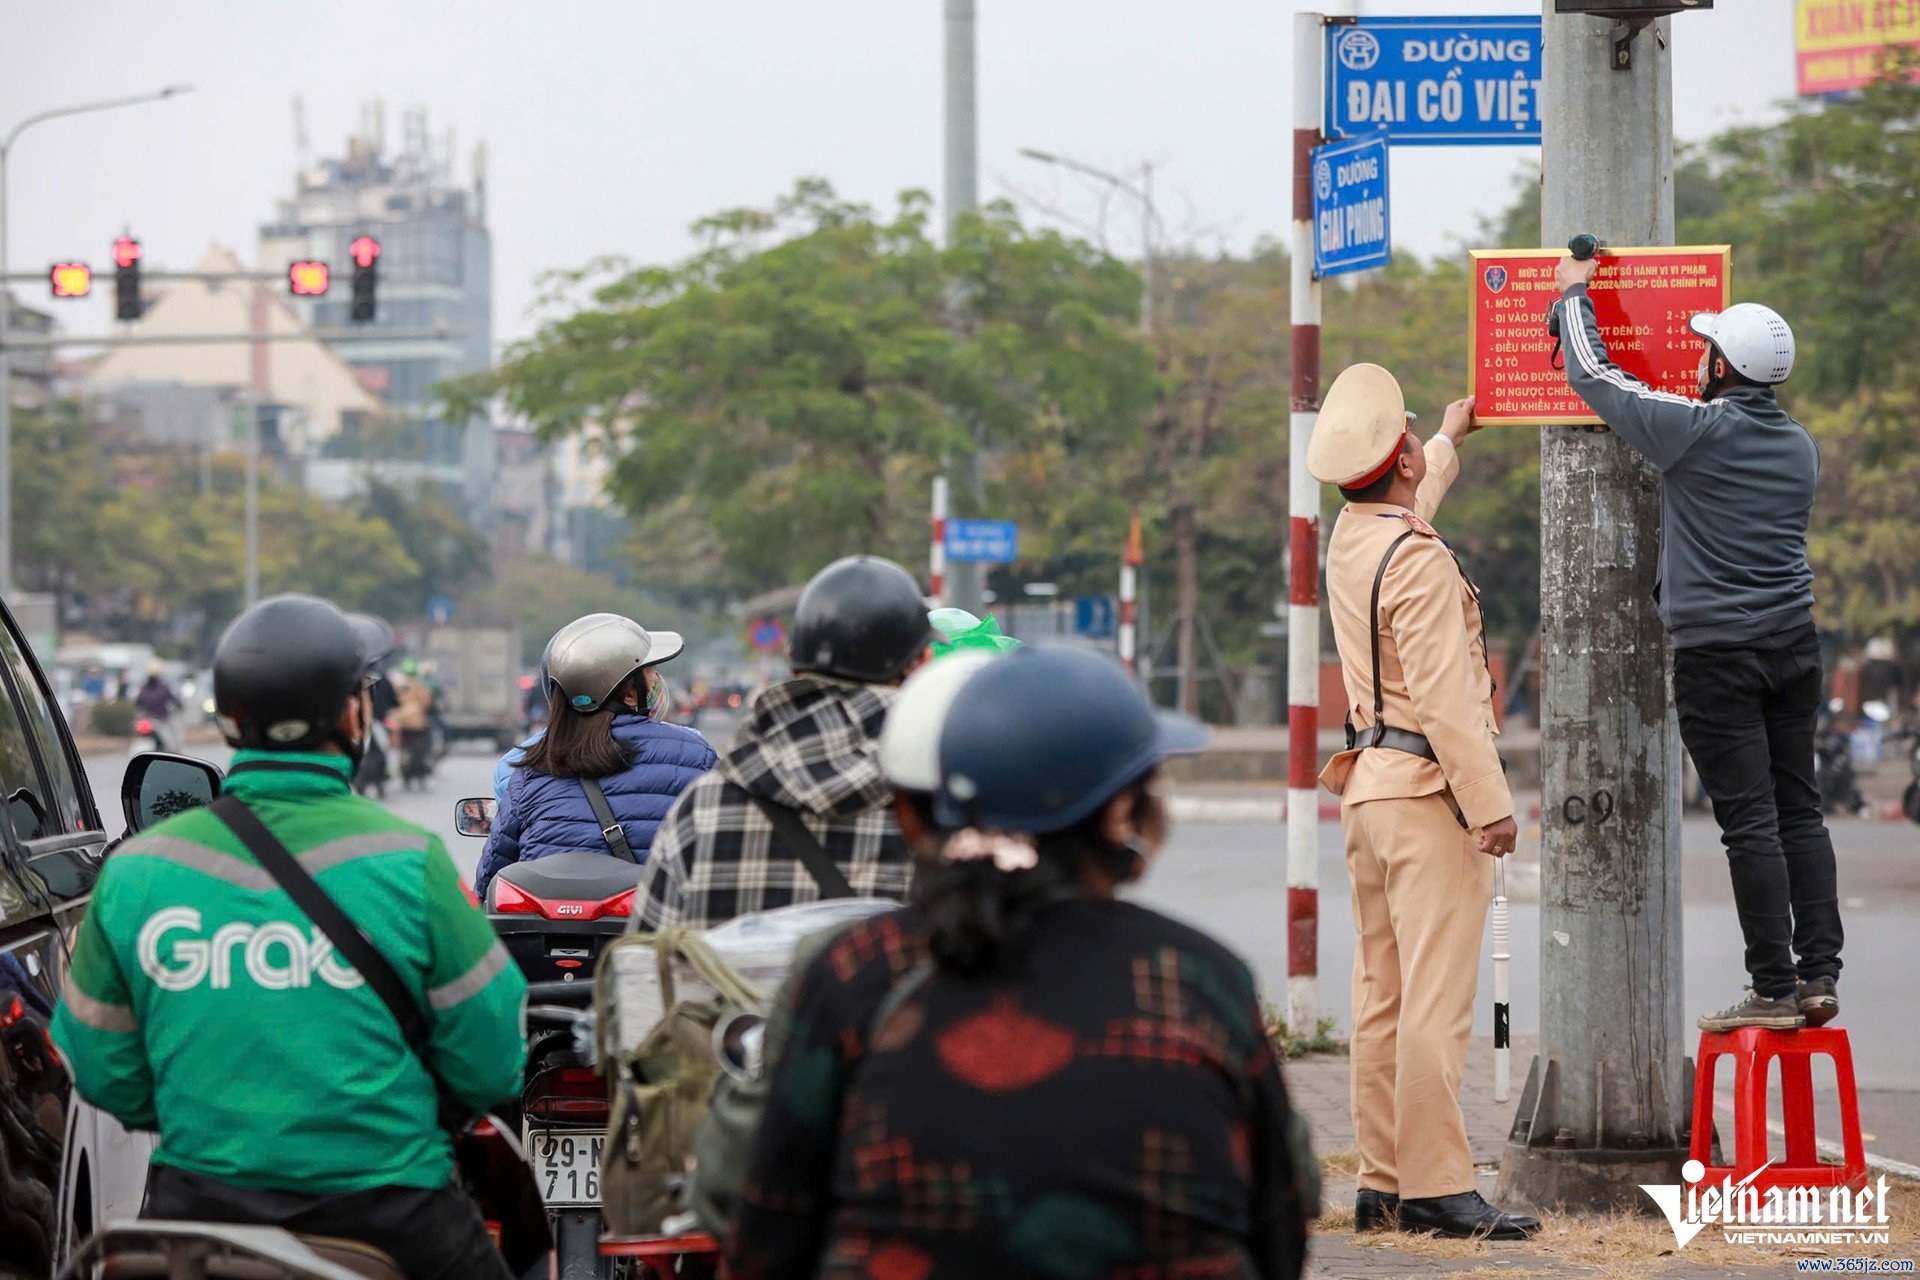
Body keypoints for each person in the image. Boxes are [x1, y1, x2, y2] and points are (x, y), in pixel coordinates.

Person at [725, 644, 1312, 1279]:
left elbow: (770, 1229)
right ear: (1119, 814)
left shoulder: (854, 971)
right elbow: (1281, 1226)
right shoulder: (1199, 976)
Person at [51, 594, 527, 1280]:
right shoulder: (410, 860)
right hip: (393, 1216)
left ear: (230, 718)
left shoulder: (137, 871)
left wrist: (215, 1119)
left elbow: (97, 1063)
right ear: (353, 713)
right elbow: (492, 1058)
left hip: (196, 1212)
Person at [1554, 257, 1842, 1033]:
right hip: (1795, 647)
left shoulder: (1698, 434)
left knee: (1748, 820)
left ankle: (1772, 988)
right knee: (1799, 811)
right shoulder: (1801, 448)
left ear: (1722, 365)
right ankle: (1817, 975)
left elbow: (1600, 379)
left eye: (1707, 350)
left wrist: (1571, 292)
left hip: (1719, 658)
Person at [1308, 364, 1538, 1241]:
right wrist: (1491, 807)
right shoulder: (1422, 562)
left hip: (1367, 791)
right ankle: (1441, 1186)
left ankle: (1383, 1182)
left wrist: (1446, 440)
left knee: (1382, 997)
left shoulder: (1355, 537)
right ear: (1397, 458)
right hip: (1426, 794)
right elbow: (1448, 702)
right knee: (1437, 1003)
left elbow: (1410, 514)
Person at [631, 555, 934, 930]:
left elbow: (643, 970)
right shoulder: (952, 806)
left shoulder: (704, 808)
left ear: (793, 664)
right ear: (922, 662)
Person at [475, 613, 715, 900]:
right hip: (648, 930)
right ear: (629, 694)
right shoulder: (695, 754)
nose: (656, 681)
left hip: (544, 936)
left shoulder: (530, 767)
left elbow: (493, 871)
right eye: (650, 672)